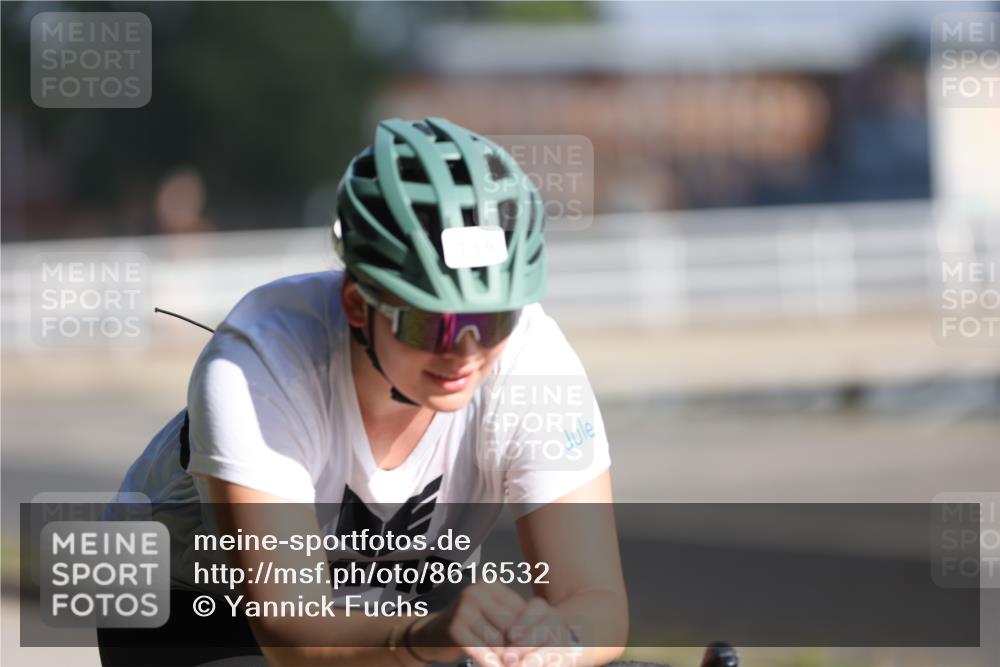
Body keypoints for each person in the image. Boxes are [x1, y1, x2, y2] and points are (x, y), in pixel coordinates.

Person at [98, 117, 628, 667]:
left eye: (493, 320)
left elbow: (593, 603)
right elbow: (292, 631)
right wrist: (420, 640)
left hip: (405, 591)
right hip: (191, 600)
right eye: (434, 325)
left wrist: (555, 642)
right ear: (358, 303)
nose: (466, 351)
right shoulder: (257, 360)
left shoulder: (532, 357)